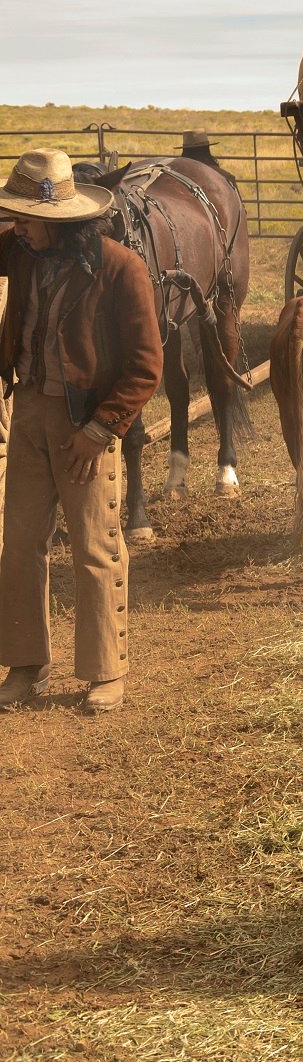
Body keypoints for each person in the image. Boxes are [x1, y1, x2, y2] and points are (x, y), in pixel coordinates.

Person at [0, 149, 164, 713]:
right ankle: (25, 664)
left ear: (63, 220)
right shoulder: (22, 254)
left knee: (95, 547)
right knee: (20, 543)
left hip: (85, 424)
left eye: (25, 217)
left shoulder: (120, 268)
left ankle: (105, 671)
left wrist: (100, 430)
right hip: (27, 412)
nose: (16, 226)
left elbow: (146, 363)